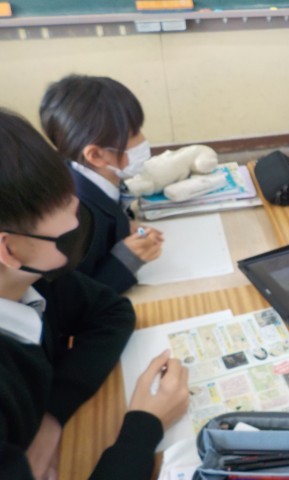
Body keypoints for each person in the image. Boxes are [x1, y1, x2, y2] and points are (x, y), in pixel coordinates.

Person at [0, 109, 189, 479]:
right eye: (69, 237)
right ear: (9, 249)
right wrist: (145, 425)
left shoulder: (34, 276)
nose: (77, 235)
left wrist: (52, 417)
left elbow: (112, 312)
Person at [39, 74, 164, 293]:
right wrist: (126, 260)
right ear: (96, 155)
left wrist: (124, 225)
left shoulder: (88, 173)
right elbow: (74, 297)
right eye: (134, 134)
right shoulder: (75, 217)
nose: (143, 139)